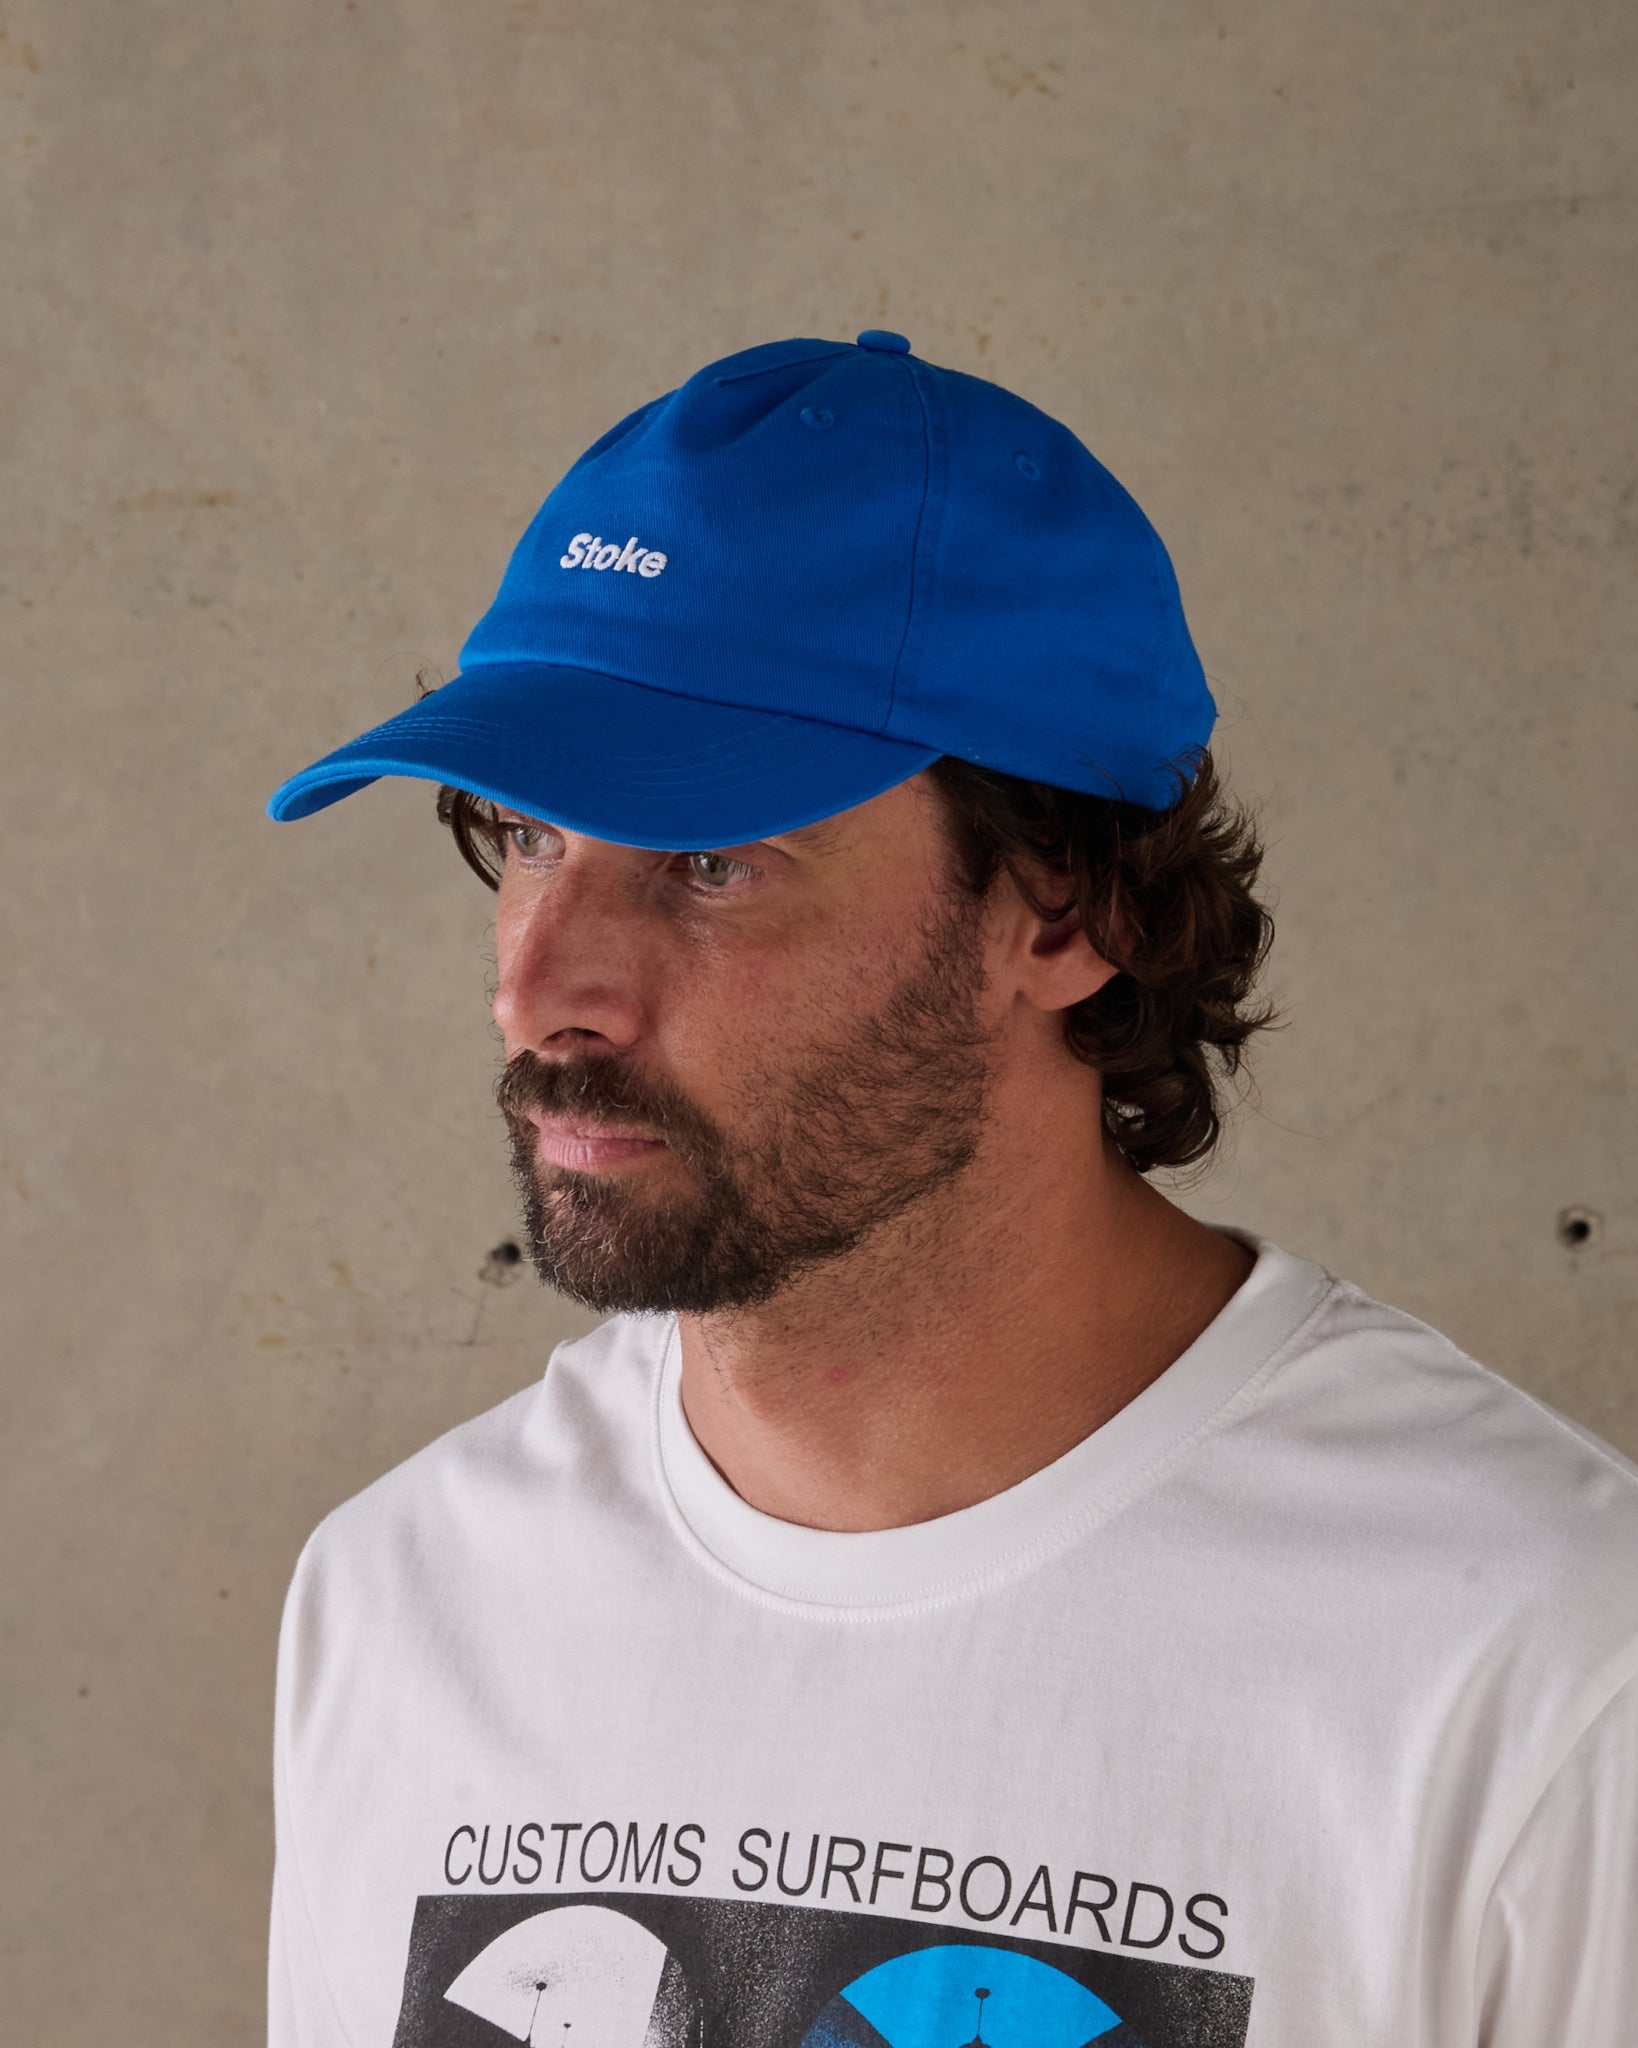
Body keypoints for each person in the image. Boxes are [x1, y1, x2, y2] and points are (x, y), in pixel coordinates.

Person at [264, 331, 1638, 2047]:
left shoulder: (1545, 1669)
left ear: (1063, 913)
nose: (541, 991)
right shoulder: (403, 1601)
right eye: (528, 835)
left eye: (708, 860)